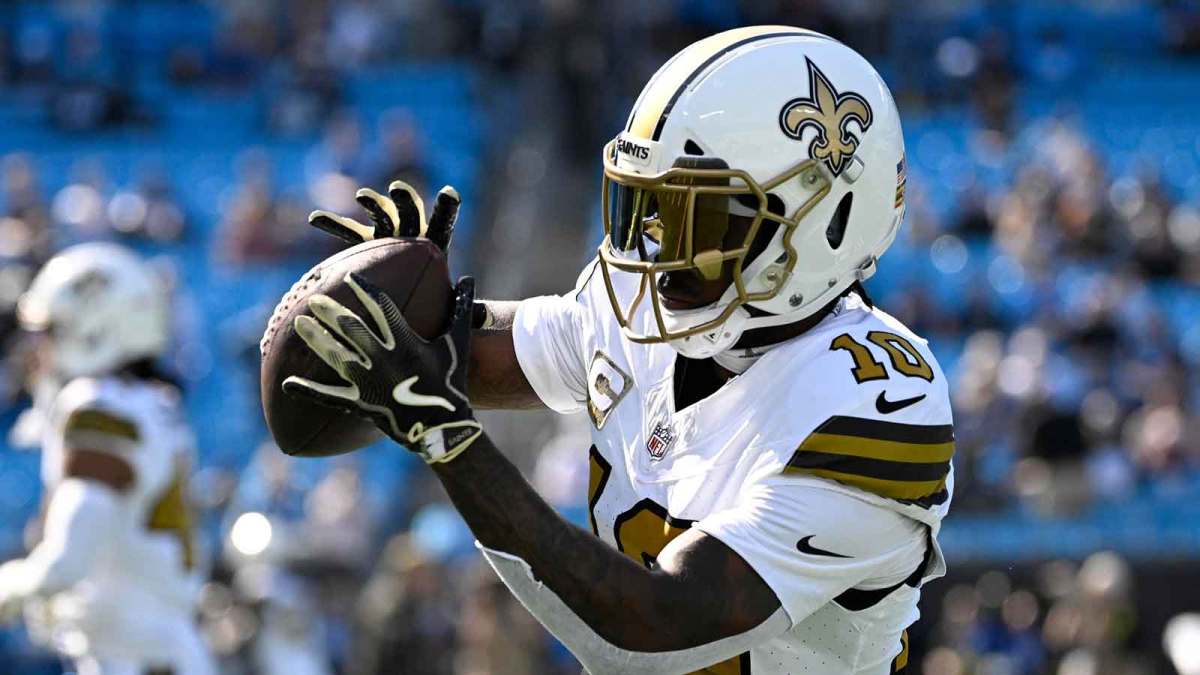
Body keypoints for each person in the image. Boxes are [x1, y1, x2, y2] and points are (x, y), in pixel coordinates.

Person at [287, 26, 951, 673]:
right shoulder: (645, 315)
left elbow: (652, 632)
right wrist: (402, 303)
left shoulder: (877, 401)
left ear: (827, 225)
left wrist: (449, 441)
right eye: (652, 210)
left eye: (702, 220)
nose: (660, 259)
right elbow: (462, 357)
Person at [0, 243, 215, 675]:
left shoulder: (99, 408)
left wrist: (12, 587)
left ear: (94, 328)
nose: (34, 352)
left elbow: (67, 559)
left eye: (50, 332)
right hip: (162, 648)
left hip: (135, 658)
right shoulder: (152, 404)